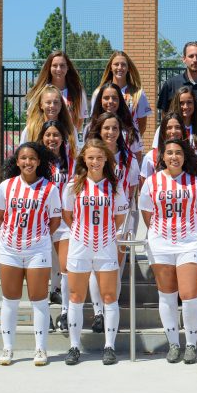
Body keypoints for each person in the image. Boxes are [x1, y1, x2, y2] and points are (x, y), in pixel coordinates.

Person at [139, 138, 197, 364]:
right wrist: (161, 234)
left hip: (190, 242)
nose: (174, 156)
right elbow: (147, 213)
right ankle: (173, 344)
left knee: (189, 295)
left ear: (185, 156)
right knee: (167, 295)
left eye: (178, 152)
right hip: (161, 242)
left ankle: (191, 344)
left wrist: (187, 233)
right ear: (163, 156)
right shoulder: (152, 182)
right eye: (169, 152)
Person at [0, 142, 61, 366]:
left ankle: (40, 349)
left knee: (39, 300)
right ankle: (8, 348)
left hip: (37, 250)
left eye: (32, 158)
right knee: (9, 300)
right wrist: (13, 234)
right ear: (17, 161)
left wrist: (38, 236)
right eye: (23, 158)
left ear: (39, 161)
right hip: (10, 250)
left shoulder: (50, 189)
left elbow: (55, 220)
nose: (28, 162)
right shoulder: (6, 186)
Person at [62, 139, 129, 365]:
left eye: (100, 157)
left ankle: (109, 346)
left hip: (106, 245)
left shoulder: (114, 186)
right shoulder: (74, 185)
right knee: (76, 296)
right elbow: (68, 215)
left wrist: (104, 232)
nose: (95, 161)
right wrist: (83, 232)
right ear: (84, 159)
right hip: (80, 245)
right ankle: (74, 346)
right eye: (91, 157)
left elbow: (119, 216)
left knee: (109, 296)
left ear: (106, 159)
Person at [85, 112, 140, 333]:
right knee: (94, 266)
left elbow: (132, 190)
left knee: (114, 265)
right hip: (93, 218)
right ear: (99, 130)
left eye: (115, 128)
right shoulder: (90, 153)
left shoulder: (129, 159)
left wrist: (126, 219)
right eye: (106, 128)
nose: (110, 132)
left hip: (119, 218)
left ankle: (110, 307)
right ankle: (98, 312)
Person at [37, 121, 75, 332]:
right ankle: (44, 314)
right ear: (42, 137)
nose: (52, 139)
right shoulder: (36, 160)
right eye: (48, 135)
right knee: (42, 269)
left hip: (63, 221)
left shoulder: (72, 161)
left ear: (63, 138)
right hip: (40, 221)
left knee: (66, 268)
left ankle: (65, 313)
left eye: (56, 135)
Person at [93, 50, 153, 144]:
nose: (120, 67)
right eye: (116, 64)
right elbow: (95, 120)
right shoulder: (99, 92)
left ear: (128, 68)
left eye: (123, 64)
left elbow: (142, 125)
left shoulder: (138, 93)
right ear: (110, 67)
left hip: (129, 146)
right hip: (104, 144)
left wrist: (132, 143)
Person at [25, 50, 88, 132]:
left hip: (68, 138)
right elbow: (31, 118)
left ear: (68, 67)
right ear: (49, 68)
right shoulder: (41, 91)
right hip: (45, 137)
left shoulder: (77, 92)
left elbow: (79, 121)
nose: (58, 69)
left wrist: (70, 137)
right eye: (54, 65)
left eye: (62, 65)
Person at [20, 84, 77, 160]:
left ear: (61, 105)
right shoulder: (30, 129)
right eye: (48, 102)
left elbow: (75, 155)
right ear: (41, 105)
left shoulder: (70, 129)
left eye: (56, 102)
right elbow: (22, 154)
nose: (52, 105)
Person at [86, 83, 139, 159]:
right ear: (100, 100)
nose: (110, 101)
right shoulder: (90, 128)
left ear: (120, 101)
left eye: (114, 98)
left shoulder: (130, 127)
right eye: (106, 98)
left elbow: (137, 155)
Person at [153, 86, 197, 153]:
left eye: (189, 102)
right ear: (176, 104)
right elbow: (156, 154)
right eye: (181, 103)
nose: (185, 106)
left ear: (194, 104)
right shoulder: (164, 128)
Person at [140, 112, 186, 180]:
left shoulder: (192, 155)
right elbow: (145, 184)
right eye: (169, 128)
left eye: (177, 127)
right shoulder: (150, 157)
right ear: (163, 131)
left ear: (182, 131)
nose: (173, 131)